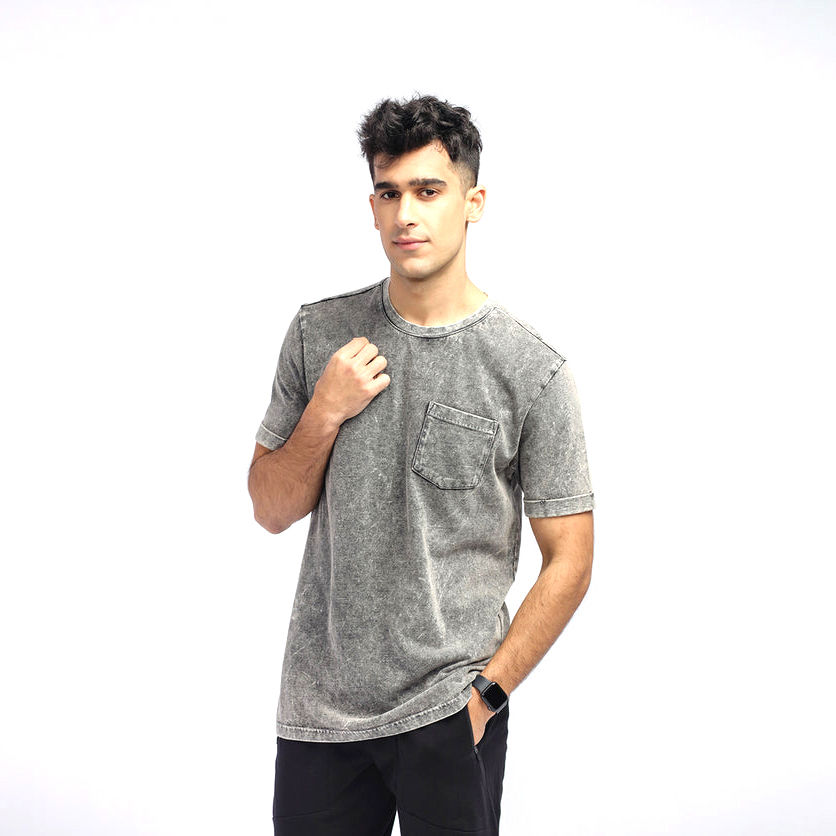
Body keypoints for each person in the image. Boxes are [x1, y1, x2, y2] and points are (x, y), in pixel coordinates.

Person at [248, 94, 595, 836]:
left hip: (449, 710)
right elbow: (270, 509)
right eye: (389, 192)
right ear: (372, 207)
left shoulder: (530, 370)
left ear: (473, 203)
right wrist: (325, 410)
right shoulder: (318, 333)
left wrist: (487, 697)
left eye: (428, 191)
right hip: (319, 713)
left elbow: (571, 558)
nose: (406, 214)